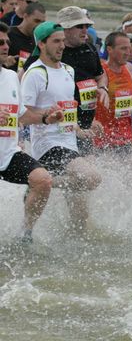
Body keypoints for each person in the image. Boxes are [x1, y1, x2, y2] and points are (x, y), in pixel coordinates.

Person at [21, 21, 101, 232]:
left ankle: (71, 248)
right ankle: (41, 183)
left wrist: (82, 130)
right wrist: (46, 117)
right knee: (92, 178)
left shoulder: (68, 70)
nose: (62, 46)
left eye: (63, 41)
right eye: (56, 41)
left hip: (70, 142)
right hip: (48, 145)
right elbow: (23, 116)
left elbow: (68, 112)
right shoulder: (35, 73)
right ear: (42, 43)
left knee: (80, 219)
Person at [0, 22, 60, 243]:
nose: (6, 46)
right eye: (1, 42)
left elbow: (22, 115)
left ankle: (25, 234)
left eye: (7, 41)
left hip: (7, 154)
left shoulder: (10, 77)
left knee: (43, 180)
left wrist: (45, 117)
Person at [93, 32, 132, 169]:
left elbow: (130, 90)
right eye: (123, 48)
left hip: (126, 135)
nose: (128, 52)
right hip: (105, 137)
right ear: (109, 49)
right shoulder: (101, 71)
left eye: (129, 48)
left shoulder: (126, 69)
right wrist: (91, 120)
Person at [55, 6, 109, 156]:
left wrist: (103, 88)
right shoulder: (54, 52)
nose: (85, 30)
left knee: (88, 174)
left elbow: (100, 75)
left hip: (86, 125)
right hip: (60, 124)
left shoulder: (90, 49)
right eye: (79, 26)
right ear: (65, 28)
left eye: (87, 26)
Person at [7, 2, 46, 72]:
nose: (39, 25)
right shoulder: (8, 34)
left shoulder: (39, 41)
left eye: (42, 22)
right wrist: (4, 60)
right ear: (25, 16)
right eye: (36, 21)